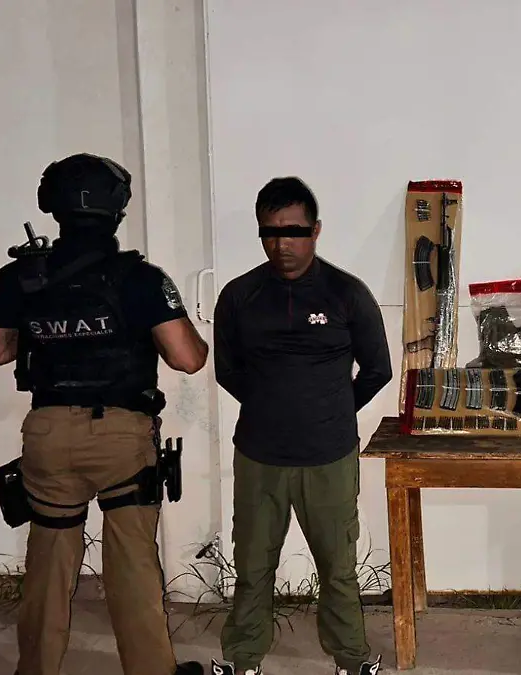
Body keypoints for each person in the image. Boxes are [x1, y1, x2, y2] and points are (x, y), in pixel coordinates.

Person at [0, 153, 209, 675]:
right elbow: (188, 358)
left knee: (47, 566)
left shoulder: (20, 276)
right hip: (121, 437)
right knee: (133, 568)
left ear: (51, 207)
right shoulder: (141, 278)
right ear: (117, 209)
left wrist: (41, 337)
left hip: (49, 434)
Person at [211, 176, 392, 675]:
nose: (282, 245)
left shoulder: (347, 294)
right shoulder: (239, 296)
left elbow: (378, 370)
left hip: (328, 457)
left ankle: (350, 660)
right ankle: (244, 659)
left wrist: (330, 411)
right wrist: (271, 407)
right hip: (259, 456)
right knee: (252, 567)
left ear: (315, 230)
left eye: (293, 232)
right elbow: (227, 370)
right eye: (270, 233)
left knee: (338, 568)